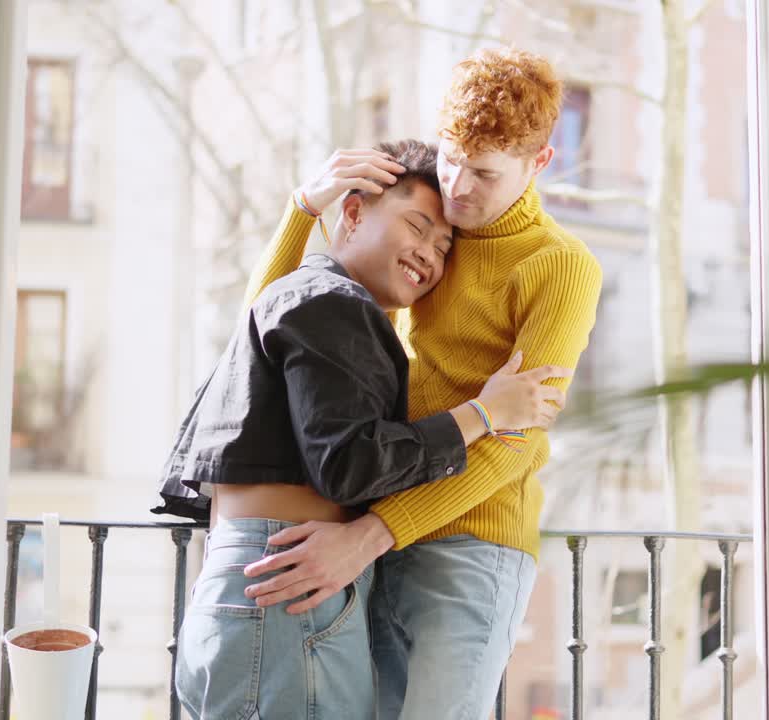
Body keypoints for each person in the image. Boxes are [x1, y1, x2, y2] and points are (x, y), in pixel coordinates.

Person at [237, 48, 603, 720]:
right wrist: (302, 209)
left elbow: (513, 441)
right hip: (379, 528)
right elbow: (270, 329)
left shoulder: (561, 266)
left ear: (539, 163)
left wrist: (369, 535)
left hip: (471, 545)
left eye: (484, 173)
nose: (459, 186)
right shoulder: (440, 234)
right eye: (452, 158)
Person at [164, 139, 569, 720]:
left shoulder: (305, 299)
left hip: (249, 579)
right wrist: (484, 414)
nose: (430, 254)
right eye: (417, 226)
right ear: (352, 214)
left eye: (443, 247)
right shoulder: (334, 303)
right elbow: (352, 465)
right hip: (288, 585)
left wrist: (303, 207)